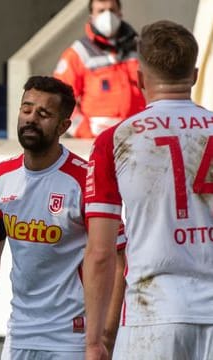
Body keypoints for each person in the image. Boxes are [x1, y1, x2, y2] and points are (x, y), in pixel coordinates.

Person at [83, 20, 213, 360]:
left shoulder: (115, 140)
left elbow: (100, 253)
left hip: (153, 314)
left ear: (140, 78)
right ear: (195, 75)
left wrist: (94, 340)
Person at [0, 76, 126, 359]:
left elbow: (117, 263)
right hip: (18, 335)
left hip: (71, 340)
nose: (31, 119)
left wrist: (104, 339)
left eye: (44, 114)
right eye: (26, 109)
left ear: (64, 126)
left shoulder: (85, 179)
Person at [53, 0, 145, 138]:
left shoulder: (139, 48)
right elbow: (59, 99)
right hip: (96, 140)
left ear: (120, 14)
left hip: (137, 136)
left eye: (112, 10)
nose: (107, 15)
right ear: (91, 16)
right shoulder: (78, 53)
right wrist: (85, 132)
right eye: (101, 11)